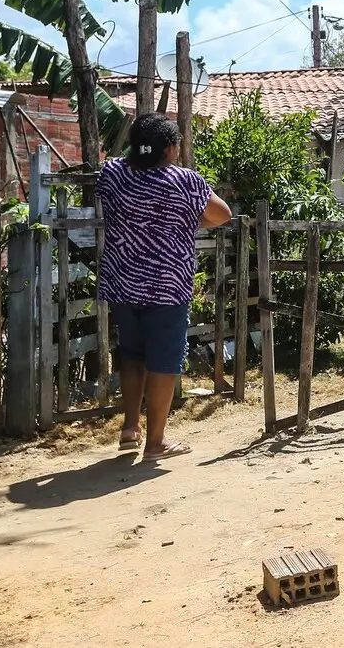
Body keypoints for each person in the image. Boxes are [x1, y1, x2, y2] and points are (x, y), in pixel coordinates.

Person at [96, 113, 232, 461]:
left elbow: (113, 193)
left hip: (123, 281)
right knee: (164, 362)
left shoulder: (112, 174)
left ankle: (130, 428)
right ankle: (156, 442)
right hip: (167, 286)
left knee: (132, 354)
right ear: (171, 149)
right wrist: (189, 216)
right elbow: (222, 215)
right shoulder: (185, 182)